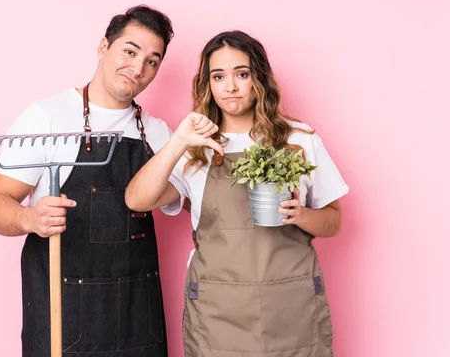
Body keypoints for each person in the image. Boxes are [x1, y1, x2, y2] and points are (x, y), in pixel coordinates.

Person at [125, 30, 349, 356]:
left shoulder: (300, 139)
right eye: (218, 76)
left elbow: (334, 220)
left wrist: (301, 215)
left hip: (290, 306)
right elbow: (136, 200)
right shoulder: (195, 149)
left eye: (241, 74)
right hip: (218, 312)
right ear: (208, 84)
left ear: (258, 79)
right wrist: (178, 143)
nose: (230, 87)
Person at [0, 5, 174, 357]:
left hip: (137, 317)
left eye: (152, 61)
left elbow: (198, 200)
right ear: (103, 47)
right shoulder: (48, 116)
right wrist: (29, 218)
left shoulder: (160, 134)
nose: (138, 68)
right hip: (63, 314)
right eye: (129, 51)